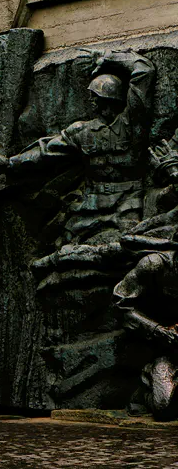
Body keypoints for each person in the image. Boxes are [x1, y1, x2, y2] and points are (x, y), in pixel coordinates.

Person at [0, 49, 155, 255]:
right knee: (64, 246)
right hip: (90, 204)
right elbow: (47, 151)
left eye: (95, 96)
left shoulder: (132, 124)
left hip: (128, 203)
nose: (91, 100)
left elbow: (145, 71)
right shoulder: (81, 131)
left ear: (109, 99)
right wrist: (10, 163)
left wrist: (109, 58)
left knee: (128, 249)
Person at [113, 131, 178, 421]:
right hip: (168, 347)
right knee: (163, 406)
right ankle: (149, 377)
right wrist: (158, 331)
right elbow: (121, 304)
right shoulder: (155, 264)